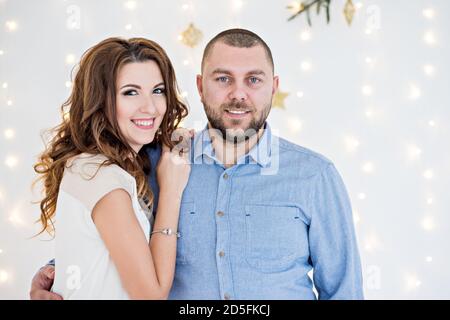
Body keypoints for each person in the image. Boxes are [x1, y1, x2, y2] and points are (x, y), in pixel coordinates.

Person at [31, 29, 363, 300]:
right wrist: (54, 274)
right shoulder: (157, 164)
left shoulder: (314, 176)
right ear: (201, 87)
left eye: (254, 80)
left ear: (274, 89)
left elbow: (344, 291)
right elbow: (112, 243)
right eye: (223, 79)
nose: (238, 94)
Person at [31, 37, 191, 299]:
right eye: (130, 92)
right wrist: (172, 190)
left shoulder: (112, 167)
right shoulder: (99, 174)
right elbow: (151, 295)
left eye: (158, 90)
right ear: (100, 100)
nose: (149, 107)